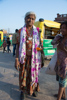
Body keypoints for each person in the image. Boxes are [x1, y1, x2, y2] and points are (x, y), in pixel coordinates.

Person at [15, 11, 43, 100]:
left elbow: (41, 44)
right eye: (28, 18)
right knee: (23, 75)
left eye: (32, 19)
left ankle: (33, 89)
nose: (30, 20)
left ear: (34, 20)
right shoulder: (20, 31)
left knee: (34, 74)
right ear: (25, 19)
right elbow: (18, 46)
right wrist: (16, 59)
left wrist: (40, 47)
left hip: (34, 59)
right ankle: (23, 92)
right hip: (24, 58)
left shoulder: (38, 31)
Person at [51, 21, 67, 100]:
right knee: (60, 81)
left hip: (65, 66)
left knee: (62, 83)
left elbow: (63, 49)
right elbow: (52, 43)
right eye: (61, 28)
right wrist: (56, 39)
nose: (62, 30)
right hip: (59, 63)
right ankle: (63, 96)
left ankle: (59, 98)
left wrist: (63, 48)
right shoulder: (60, 38)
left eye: (64, 28)